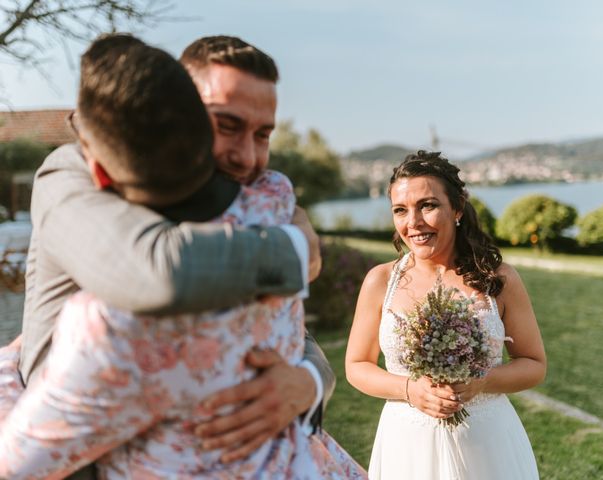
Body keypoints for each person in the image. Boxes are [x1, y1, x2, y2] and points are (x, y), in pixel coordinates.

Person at [0, 34, 365, 479]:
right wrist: (294, 249)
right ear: (181, 113)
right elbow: (157, 271)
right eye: (226, 126)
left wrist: (307, 381)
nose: (247, 158)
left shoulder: (259, 196)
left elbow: (278, 323)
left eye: (263, 134)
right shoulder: (74, 171)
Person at [345, 150, 546, 479]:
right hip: (408, 447)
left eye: (428, 205)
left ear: (457, 207)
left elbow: (534, 364)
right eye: (400, 210)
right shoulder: (380, 281)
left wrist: (483, 382)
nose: (413, 223)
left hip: (487, 445)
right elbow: (356, 366)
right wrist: (410, 390)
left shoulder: (499, 279)